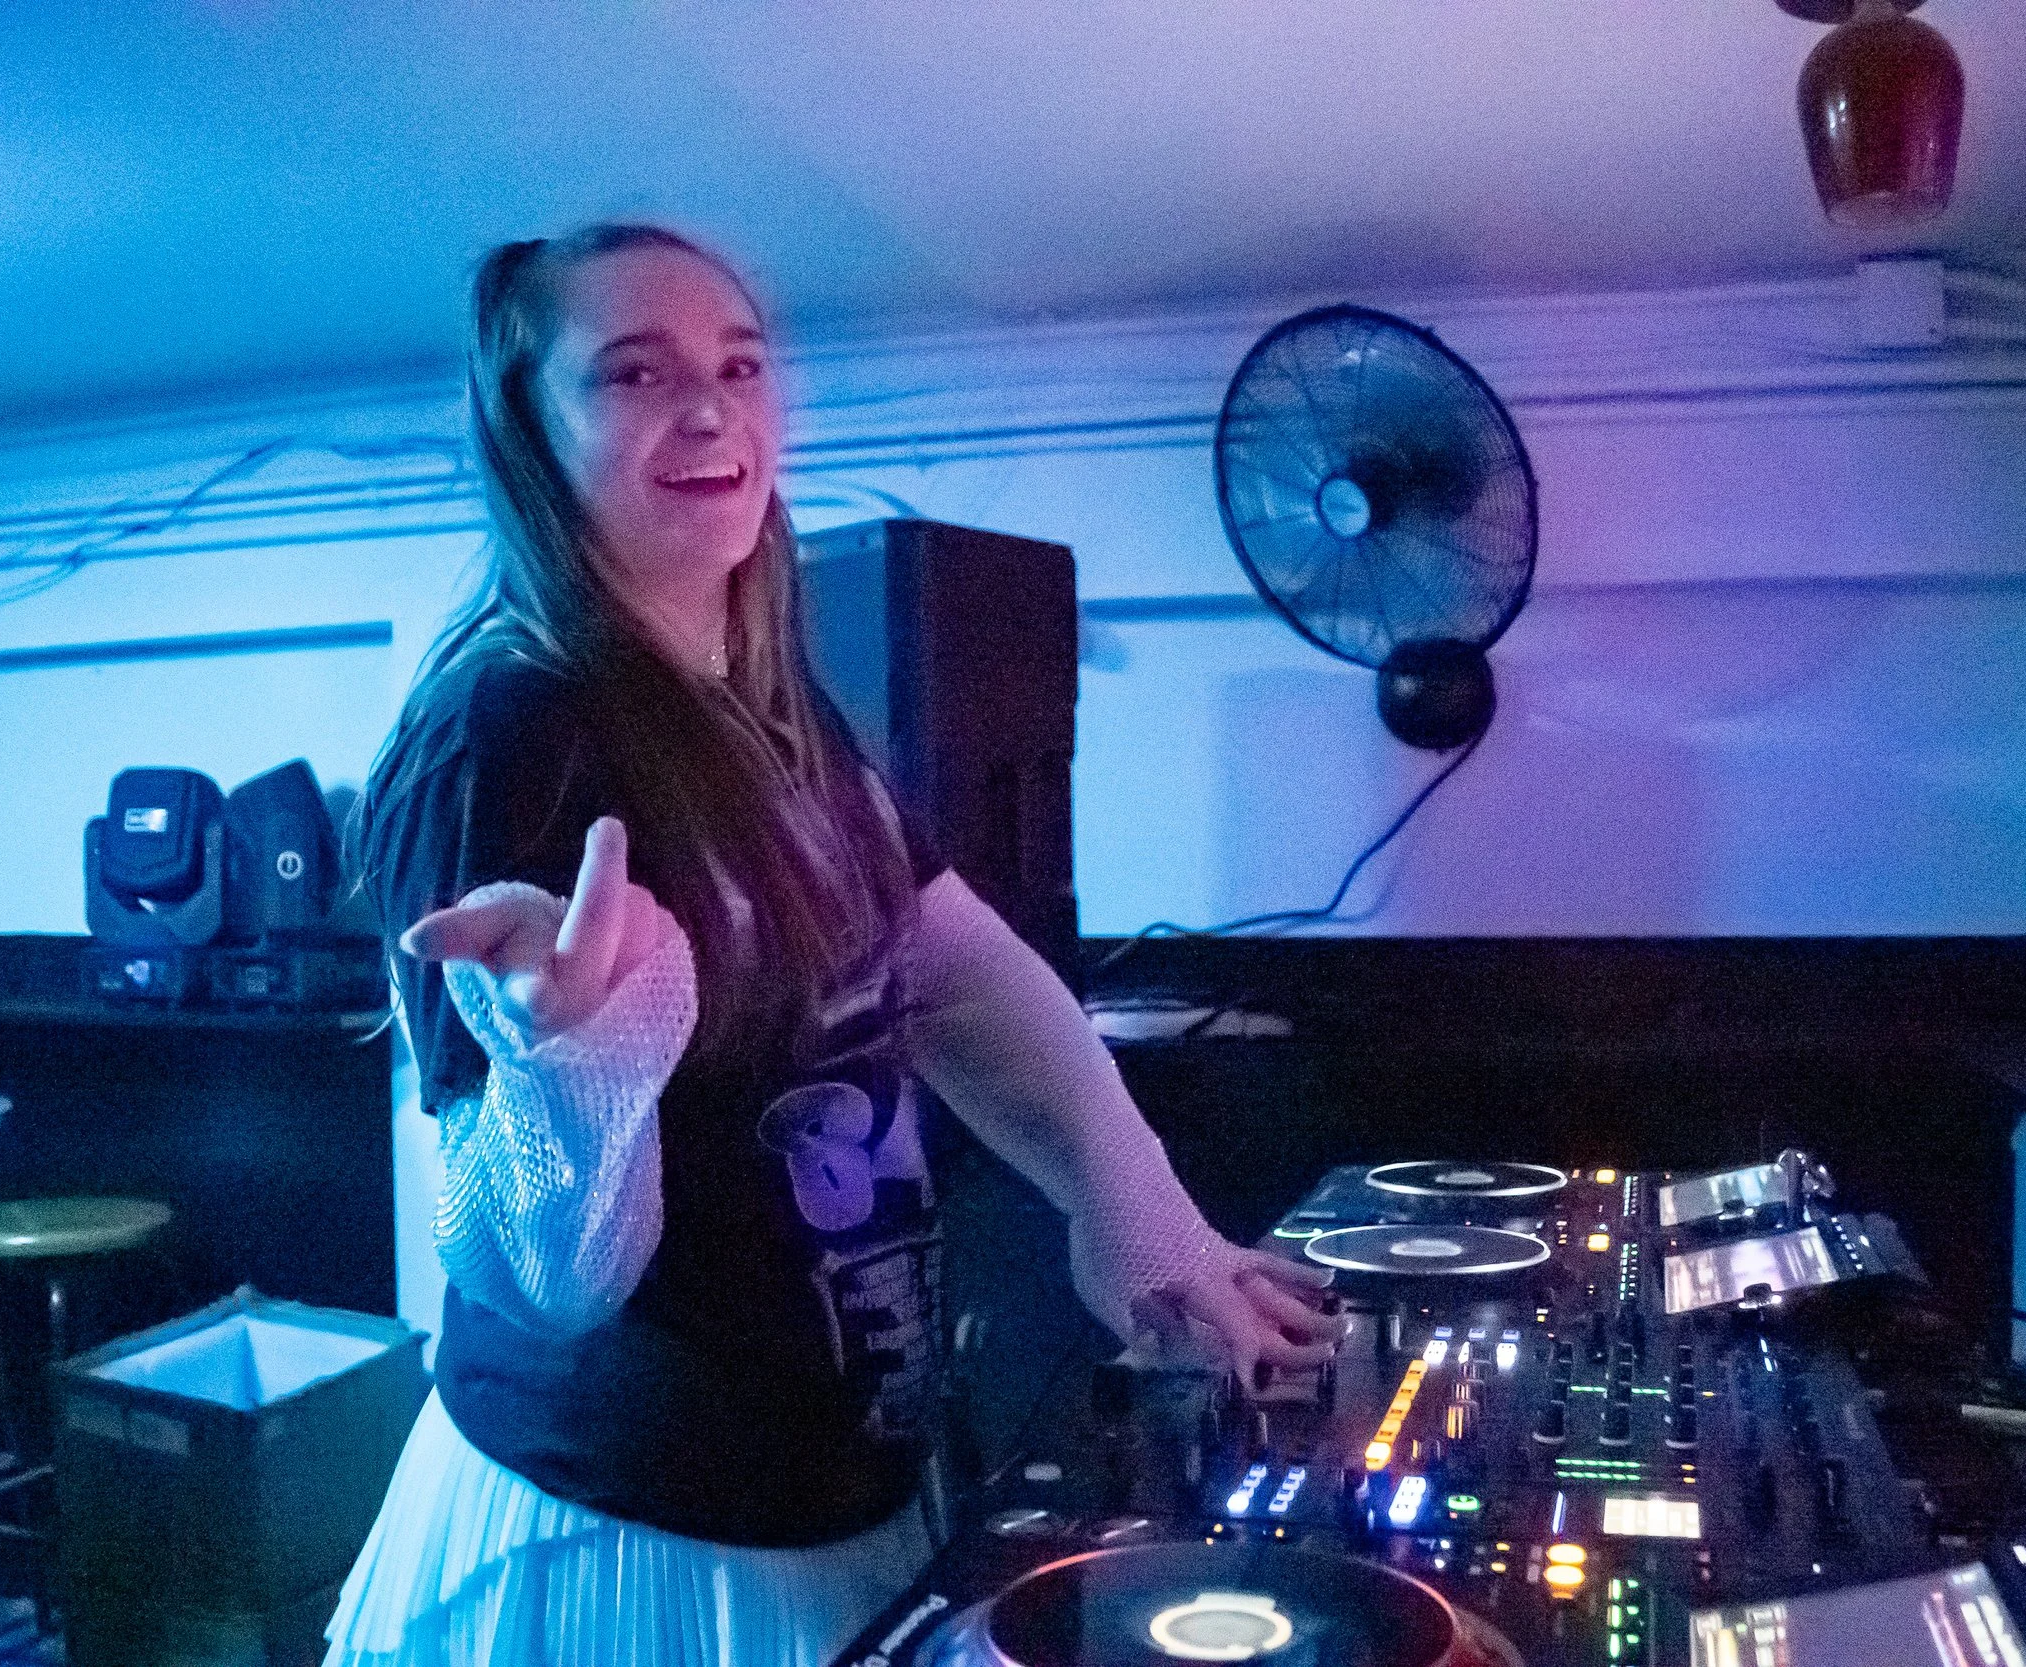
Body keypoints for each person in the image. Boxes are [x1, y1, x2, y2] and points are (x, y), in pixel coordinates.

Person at [324, 222, 1342, 1667]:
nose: (710, 408)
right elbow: (530, 1275)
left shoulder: (779, 701)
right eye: (634, 372)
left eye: (740, 364)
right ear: (528, 429)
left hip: (854, 1490)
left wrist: (1143, 1215)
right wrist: (578, 1060)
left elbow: (953, 966)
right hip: (635, 1537)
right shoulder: (504, 732)